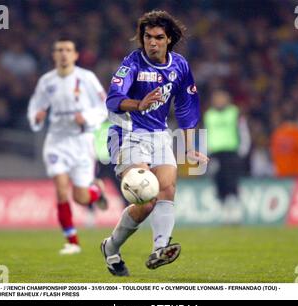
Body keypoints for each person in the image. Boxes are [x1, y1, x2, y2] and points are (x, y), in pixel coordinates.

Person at [101, 10, 209, 276]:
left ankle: (160, 249)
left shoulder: (180, 66)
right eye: (147, 37)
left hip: (160, 134)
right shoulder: (132, 63)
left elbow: (186, 105)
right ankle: (112, 246)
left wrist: (189, 144)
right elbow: (113, 98)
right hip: (128, 133)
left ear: (168, 39)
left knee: (167, 189)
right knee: (146, 198)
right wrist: (138, 104)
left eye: (158, 37)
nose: (152, 42)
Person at [27, 38, 109, 255]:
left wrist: (88, 118)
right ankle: (72, 241)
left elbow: (105, 107)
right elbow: (36, 106)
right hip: (56, 142)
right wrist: (37, 117)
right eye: (59, 50)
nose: (63, 53)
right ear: (54, 55)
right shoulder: (46, 81)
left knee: (80, 198)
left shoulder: (86, 78)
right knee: (61, 190)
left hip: (81, 142)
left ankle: (96, 191)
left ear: (75, 55)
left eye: (68, 50)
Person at [203, 90, 251, 203]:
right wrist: (204, 153)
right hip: (214, 153)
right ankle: (223, 202)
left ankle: (234, 202)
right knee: (217, 177)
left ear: (227, 99)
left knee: (232, 179)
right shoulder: (209, 115)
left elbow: (243, 131)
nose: (219, 101)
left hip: (231, 152)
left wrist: (243, 149)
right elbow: (205, 133)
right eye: (216, 98)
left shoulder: (235, 112)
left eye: (221, 98)